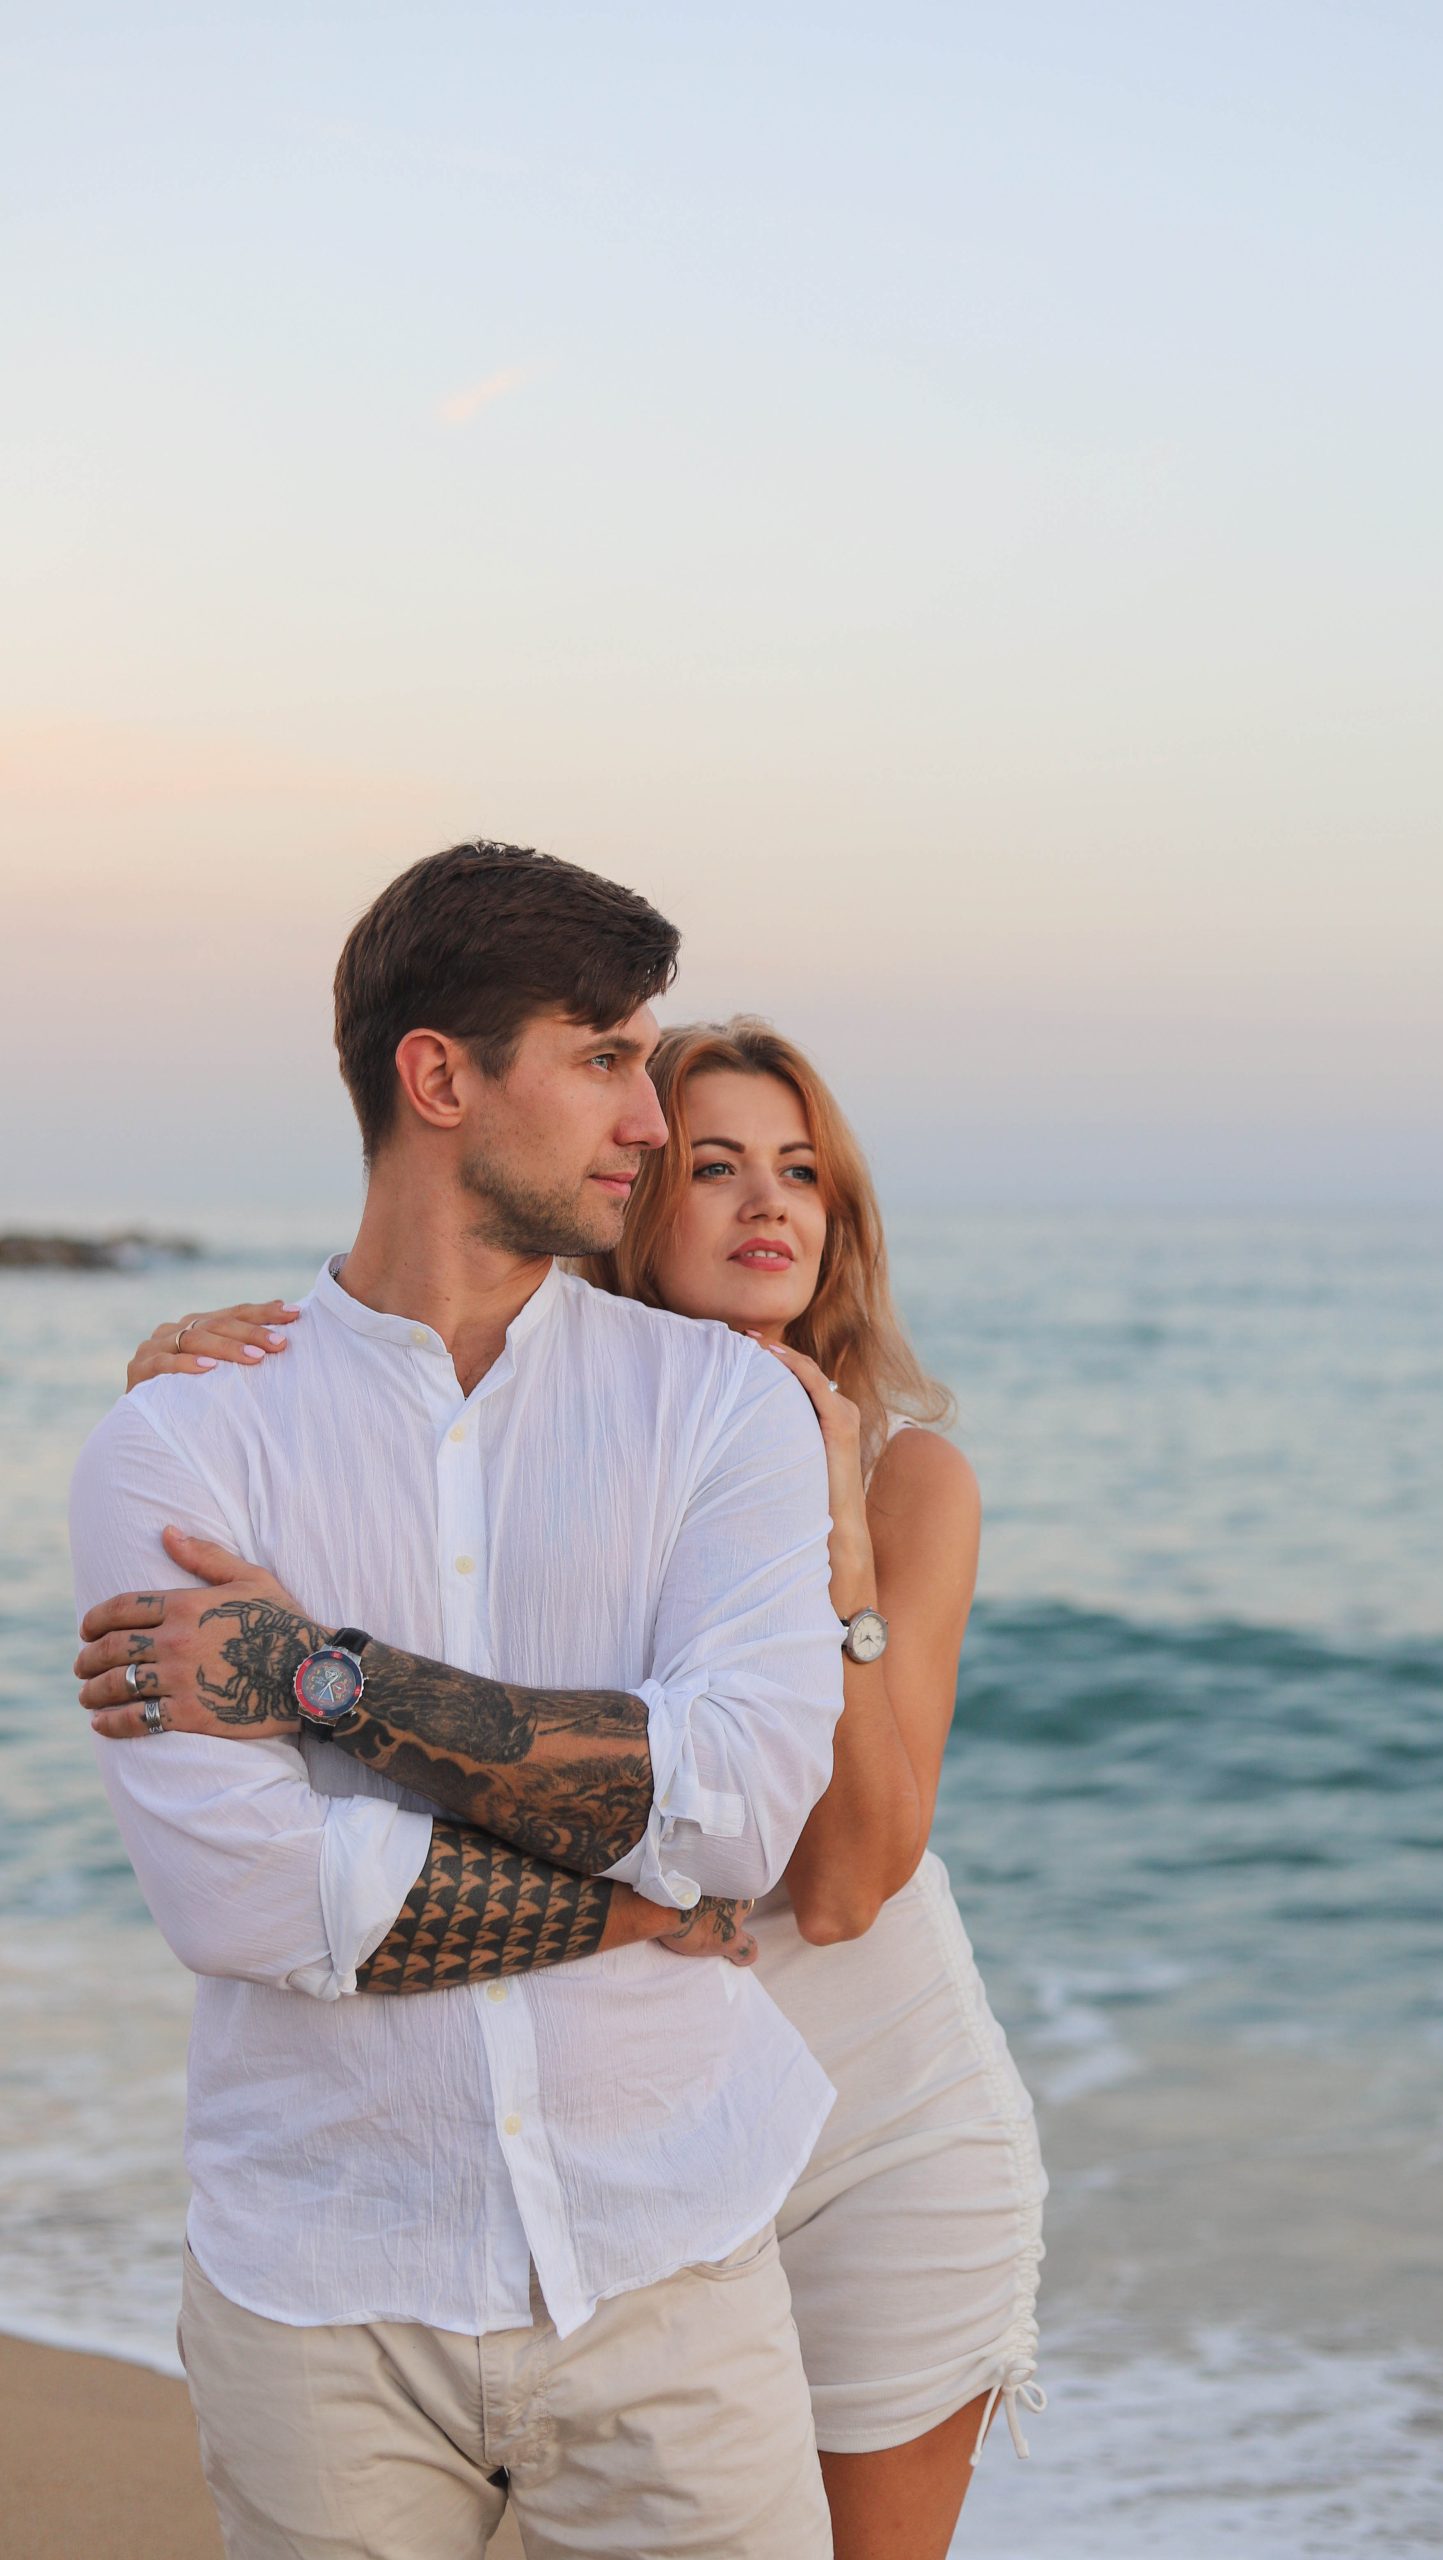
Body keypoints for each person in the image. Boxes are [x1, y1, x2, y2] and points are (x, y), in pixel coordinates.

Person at [122, 1015, 1047, 2560]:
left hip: (881, 2125)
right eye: (716, 1166)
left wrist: (838, 1537)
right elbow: (461, 1698)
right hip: (632, 2138)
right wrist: (195, 1413)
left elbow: (836, 1881)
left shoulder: (908, 1476)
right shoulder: (557, 1432)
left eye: (804, 1172)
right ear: (629, 1194)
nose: (771, 1208)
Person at [70, 842, 849, 2560]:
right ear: (439, 1076)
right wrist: (645, 1907)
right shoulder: (183, 1447)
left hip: (675, 2269)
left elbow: (740, 1810)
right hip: (320, 2292)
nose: (648, 1117)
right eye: (602, 1057)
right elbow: (255, 1899)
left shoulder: (726, 1411)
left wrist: (318, 1678)